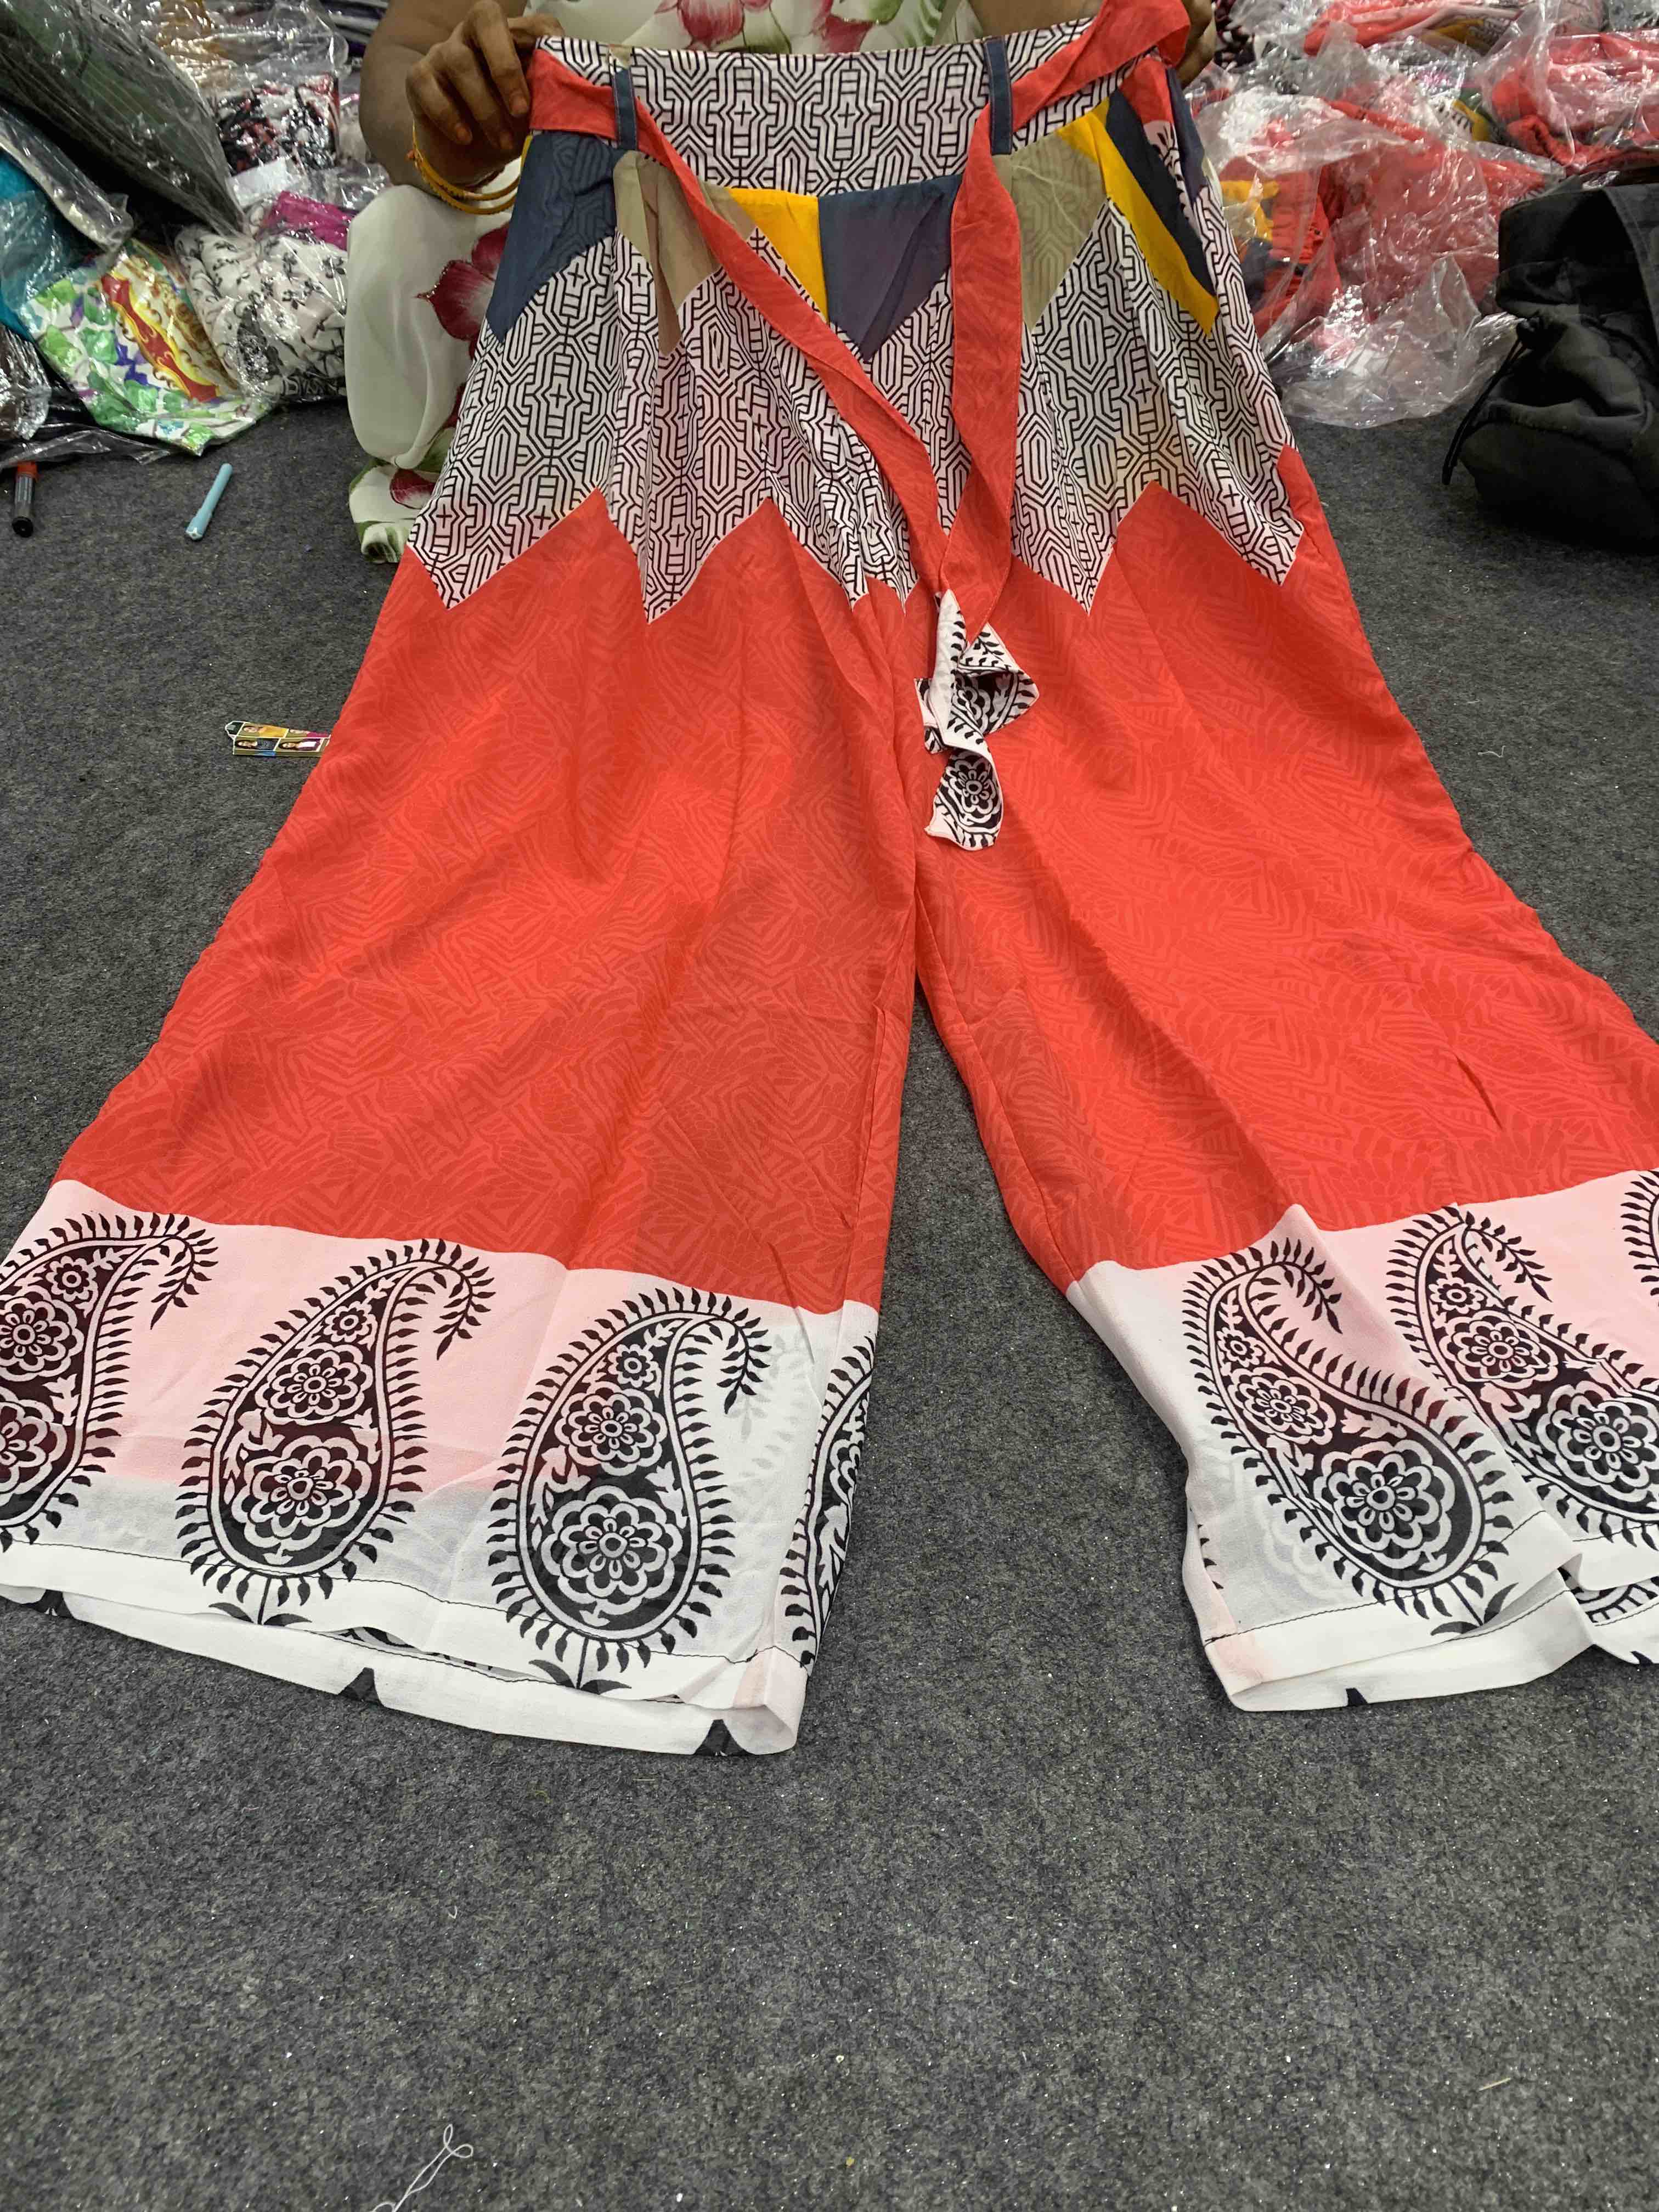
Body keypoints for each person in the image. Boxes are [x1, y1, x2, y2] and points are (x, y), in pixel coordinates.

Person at [343, 0, 1215, 555]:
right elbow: (408, 50)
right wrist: (447, 118)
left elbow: (1085, 38)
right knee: (399, 242)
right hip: (629, 318)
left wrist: (1132, 34)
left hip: (915, 297)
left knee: (1116, 192)